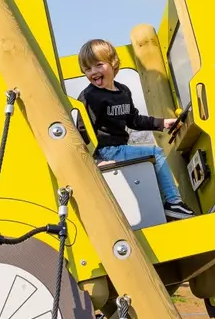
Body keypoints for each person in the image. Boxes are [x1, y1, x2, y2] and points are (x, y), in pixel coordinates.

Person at [75, 38, 196, 220]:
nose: (93, 72)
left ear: (113, 63)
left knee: (151, 159)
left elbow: (134, 120)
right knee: (156, 153)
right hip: (106, 151)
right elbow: (82, 130)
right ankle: (173, 202)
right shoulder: (90, 96)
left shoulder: (123, 91)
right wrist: (94, 160)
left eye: (98, 65)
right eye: (87, 69)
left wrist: (162, 123)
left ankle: (166, 206)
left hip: (119, 149)